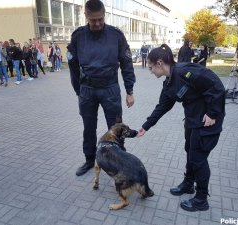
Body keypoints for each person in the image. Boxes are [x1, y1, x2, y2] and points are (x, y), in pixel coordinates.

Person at [137, 44, 225, 212]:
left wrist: (213, 113)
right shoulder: (169, 83)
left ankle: (201, 199)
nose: (150, 71)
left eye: (150, 67)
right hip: (193, 120)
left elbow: (216, 86)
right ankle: (188, 184)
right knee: (190, 151)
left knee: (198, 158)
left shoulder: (185, 71)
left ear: (160, 63)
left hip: (208, 120)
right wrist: (145, 126)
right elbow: (162, 107)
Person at [67, 0, 136, 176]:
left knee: (116, 129)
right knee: (88, 128)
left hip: (110, 88)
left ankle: (119, 161)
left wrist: (130, 91)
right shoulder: (78, 36)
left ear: (104, 15)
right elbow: (73, 66)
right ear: (86, 17)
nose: (97, 23)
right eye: (93, 20)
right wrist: (78, 91)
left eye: (100, 19)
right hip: (87, 90)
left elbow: (127, 64)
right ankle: (90, 160)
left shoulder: (116, 35)